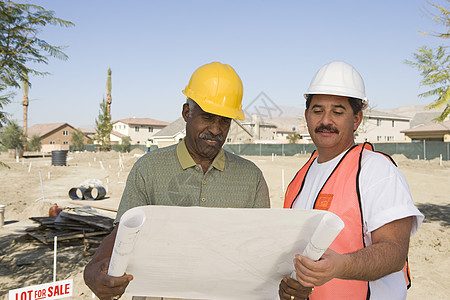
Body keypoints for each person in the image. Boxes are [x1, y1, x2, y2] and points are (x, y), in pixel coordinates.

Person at [84, 61, 271, 300]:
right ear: (186, 112)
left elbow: (261, 248)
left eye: (224, 120)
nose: (215, 129)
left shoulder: (250, 178)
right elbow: (124, 233)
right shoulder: (149, 169)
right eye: (207, 116)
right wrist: (93, 269)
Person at [279, 61, 424, 300]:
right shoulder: (299, 180)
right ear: (306, 116)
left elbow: (395, 252)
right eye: (317, 110)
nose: (326, 120)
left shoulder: (376, 170)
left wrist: (340, 266)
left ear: (356, 119)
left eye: (337, 112)